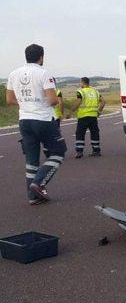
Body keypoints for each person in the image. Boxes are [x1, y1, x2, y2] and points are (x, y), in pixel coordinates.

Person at [6, 44, 67, 204]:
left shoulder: (13, 74)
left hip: (24, 120)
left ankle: (32, 197)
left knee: (31, 160)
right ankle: (39, 183)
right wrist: (39, 103)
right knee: (58, 152)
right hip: (43, 119)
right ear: (41, 57)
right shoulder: (43, 73)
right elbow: (54, 100)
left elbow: (10, 100)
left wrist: (27, 103)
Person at [71, 77, 105, 158]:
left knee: (80, 134)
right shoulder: (95, 92)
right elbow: (103, 101)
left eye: (80, 83)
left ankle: (79, 152)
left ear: (82, 82)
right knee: (94, 133)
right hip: (93, 116)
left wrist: (72, 110)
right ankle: (96, 150)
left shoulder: (81, 91)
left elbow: (78, 102)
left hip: (83, 116)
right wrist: (99, 111)